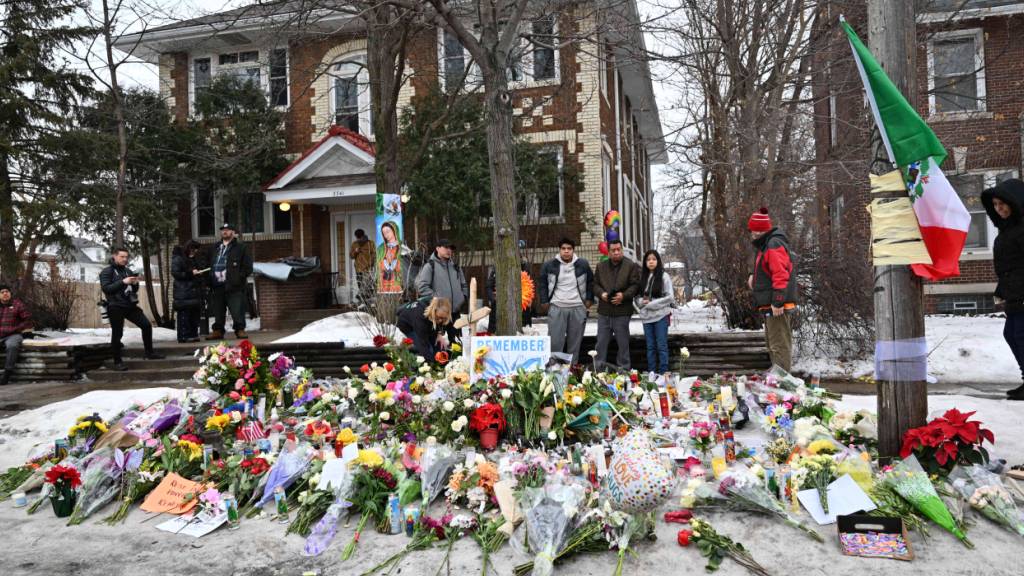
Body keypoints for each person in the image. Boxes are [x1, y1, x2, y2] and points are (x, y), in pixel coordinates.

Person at [981, 178, 1024, 400]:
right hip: (1014, 294)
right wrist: (1002, 288)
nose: (999, 209)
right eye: (996, 205)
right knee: (1012, 334)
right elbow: (1009, 266)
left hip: (1022, 294)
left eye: (1003, 204)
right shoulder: (1007, 230)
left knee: (1019, 335)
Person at [747, 208, 797, 373]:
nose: (752, 233)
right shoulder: (766, 245)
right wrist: (753, 276)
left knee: (779, 345)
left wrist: (777, 301)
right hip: (771, 305)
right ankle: (778, 381)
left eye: (754, 230)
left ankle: (783, 387)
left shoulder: (773, 244)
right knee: (773, 343)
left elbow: (780, 274)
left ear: (761, 229)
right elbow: (767, 270)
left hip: (777, 306)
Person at [99, 248, 164, 370]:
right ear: (115, 256)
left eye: (126, 257)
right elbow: (107, 288)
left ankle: (149, 353)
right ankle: (117, 362)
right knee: (117, 334)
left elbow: (133, 290)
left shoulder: (128, 271)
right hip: (115, 306)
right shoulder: (107, 272)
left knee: (146, 325)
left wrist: (135, 284)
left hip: (129, 305)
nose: (125, 259)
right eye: (122, 257)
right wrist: (123, 282)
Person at [538, 237, 593, 364]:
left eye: (569, 249)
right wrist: (545, 302)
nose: (566, 251)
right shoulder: (549, 265)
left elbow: (591, 282)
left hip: (578, 307)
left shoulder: (583, 264)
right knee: (555, 343)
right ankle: (554, 372)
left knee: (574, 344)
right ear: (559, 250)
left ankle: (572, 374)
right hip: (557, 307)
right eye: (563, 248)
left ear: (573, 250)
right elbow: (542, 284)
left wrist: (589, 300)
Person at [593, 240, 641, 369]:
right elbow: (594, 284)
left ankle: (624, 370)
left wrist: (623, 296)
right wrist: (601, 294)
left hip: (622, 311)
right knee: (601, 343)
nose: (616, 252)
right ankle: (598, 370)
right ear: (608, 252)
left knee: (623, 344)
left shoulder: (631, 265)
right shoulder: (600, 266)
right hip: (604, 311)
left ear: (622, 250)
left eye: (619, 249)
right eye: (613, 250)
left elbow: (635, 285)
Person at [203, 223, 253, 340]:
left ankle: (239, 329)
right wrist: (208, 279)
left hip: (233, 285)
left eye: (228, 230)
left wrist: (238, 278)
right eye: (223, 230)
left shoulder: (240, 248)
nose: (225, 232)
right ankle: (218, 331)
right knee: (218, 310)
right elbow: (207, 263)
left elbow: (247, 267)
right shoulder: (215, 247)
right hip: (217, 285)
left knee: (237, 309)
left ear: (233, 232)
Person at [416, 238, 467, 339]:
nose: (449, 250)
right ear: (437, 248)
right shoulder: (430, 266)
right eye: (446, 247)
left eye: (451, 248)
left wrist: (463, 297)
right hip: (438, 313)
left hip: (454, 313)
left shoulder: (455, 267)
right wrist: (438, 300)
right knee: (438, 345)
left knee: (457, 345)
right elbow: (422, 287)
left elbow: (464, 284)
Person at [636, 249, 675, 375]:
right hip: (647, 318)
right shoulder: (643, 277)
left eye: (653, 259)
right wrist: (641, 302)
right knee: (650, 347)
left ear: (658, 261)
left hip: (661, 316)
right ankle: (652, 373)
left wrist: (652, 304)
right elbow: (637, 298)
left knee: (661, 346)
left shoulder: (664, 276)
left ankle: (663, 373)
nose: (651, 262)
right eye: (648, 260)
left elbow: (670, 297)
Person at [487, 240, 534, 334]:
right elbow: (489, 286)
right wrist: (493, 299)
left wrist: (528, 300)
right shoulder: (497, 266)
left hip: (521, 305)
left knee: (523, 331)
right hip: (500, 306)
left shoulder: (525, 266)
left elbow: (529, 285)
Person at [0, 284, 33, 386]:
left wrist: (17, 329)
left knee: (12, 346)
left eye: (7, 291)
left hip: (13, 334)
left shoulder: (17, 304)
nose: (5, 293)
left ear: (10, 293)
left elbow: (28, 319)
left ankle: (7, 374)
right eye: (2, 292)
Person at [172, 240, 203, 343]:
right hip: (183, 292)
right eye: (193, 250)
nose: (194, 252)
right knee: (184, 316)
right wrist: (190, 273)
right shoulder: (178, 258)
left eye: (196, 250)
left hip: (193, 291)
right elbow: (176, 273)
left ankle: (193, 334)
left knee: (194, 315)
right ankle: (183, 336)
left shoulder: (193, 259)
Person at [377, 221, 404, 294]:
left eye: (388, 231)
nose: (386, 235)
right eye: (384, 233)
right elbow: (378, 264)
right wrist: (383, 264)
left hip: (397, 283)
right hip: (384, 283)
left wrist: (396, 264)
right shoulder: (381, 248)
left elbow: (405, 264)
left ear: (394, 230)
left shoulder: (402, 247)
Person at [350, 228, 375, 305]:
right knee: (361, 285)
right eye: (357, 237)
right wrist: (355, 252)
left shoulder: (370, 243)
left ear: (363, 236)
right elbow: (351, 256)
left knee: (367, 285)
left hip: (368, 269)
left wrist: (370, 264)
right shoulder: (354, 244)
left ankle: (362, 298)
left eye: (360, 237)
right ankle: (364, 302)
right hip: (358, 269)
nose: (358, 239)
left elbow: (374, 255)